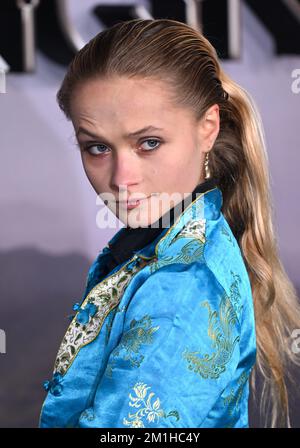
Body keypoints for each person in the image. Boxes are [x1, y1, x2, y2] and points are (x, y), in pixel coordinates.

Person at [39, 18, 300, 428]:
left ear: (207, 128)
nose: (122, 178)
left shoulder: (183, 283)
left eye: (149, 142)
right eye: (97, 147)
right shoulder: (157, 244)